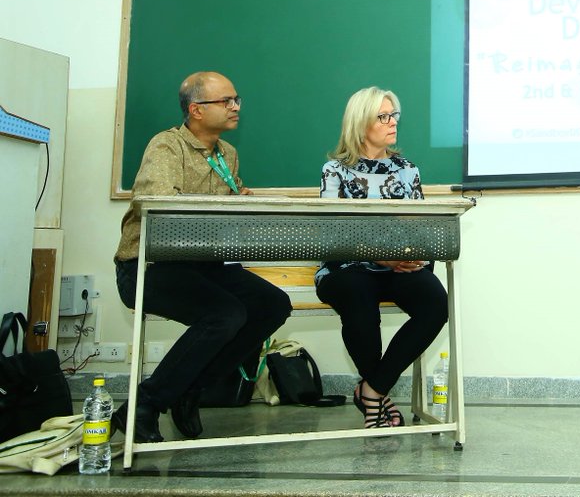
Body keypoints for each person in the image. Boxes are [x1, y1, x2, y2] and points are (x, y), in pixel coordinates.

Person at [113, 72, 291, 442]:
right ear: (196, 110)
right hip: (149, 266)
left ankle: (190, 389)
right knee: (225, 314)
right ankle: (144, 405)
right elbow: (157, 205)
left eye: (236, 100)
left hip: (202, 264)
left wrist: (243, 205)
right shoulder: (167, 146)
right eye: (226, 101)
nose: (235, 107)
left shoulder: (228, 154)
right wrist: (222, 208)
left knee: (272, 304)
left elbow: (224, 215)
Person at [317, 86, 448, 428]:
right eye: (383, 117)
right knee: (357, 297)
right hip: (347, 268)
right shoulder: (335, 170)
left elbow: (418, 226)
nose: (393, 122)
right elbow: (335, 236)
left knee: (436, 302)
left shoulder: (407, 170)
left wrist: (411, 256)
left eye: (394, 115)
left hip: (396, 268)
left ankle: (372, 390)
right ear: (361, 123)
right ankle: (377, 392)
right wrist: (381, 257)